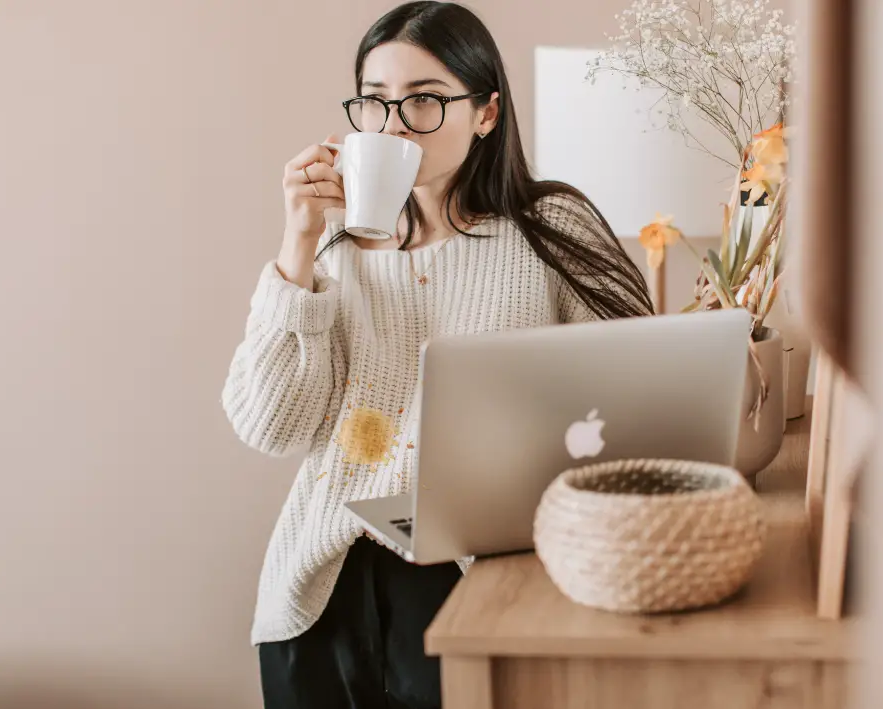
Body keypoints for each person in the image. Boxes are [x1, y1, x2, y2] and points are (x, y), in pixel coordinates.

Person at [220, 2, 653, 707]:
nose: (392, 127)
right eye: (376, 102)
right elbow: (271, 427)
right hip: (318, 591)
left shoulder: (548, 228)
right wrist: (298, 244)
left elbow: (643, 394)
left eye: (423, 100)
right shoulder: (334, 255)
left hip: (474, 580)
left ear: (485, 112)